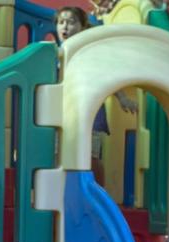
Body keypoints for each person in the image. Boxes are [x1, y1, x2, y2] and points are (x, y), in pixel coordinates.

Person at [53, 6, 137, 187]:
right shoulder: (55, 53)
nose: (65, 27)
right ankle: (62, 191)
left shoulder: (88, 52)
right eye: (61, 22)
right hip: (63, 114)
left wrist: (122, 98)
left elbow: (107, 74)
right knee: (58, 154)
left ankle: (97, 191)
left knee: (91, 156)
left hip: (89, 112)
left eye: (71, 22)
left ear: (82, 27)